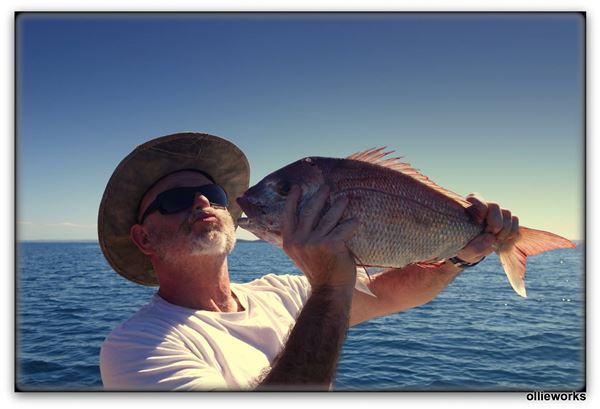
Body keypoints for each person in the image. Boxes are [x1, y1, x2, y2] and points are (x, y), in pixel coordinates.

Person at [98, 132, 519, 391]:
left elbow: (388, 295)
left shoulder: (283, 292)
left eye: (216, 196)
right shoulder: (135, 348)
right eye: (175, 200)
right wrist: (332, 285)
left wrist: (465, 254)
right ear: (143, 238)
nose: (203, 202)